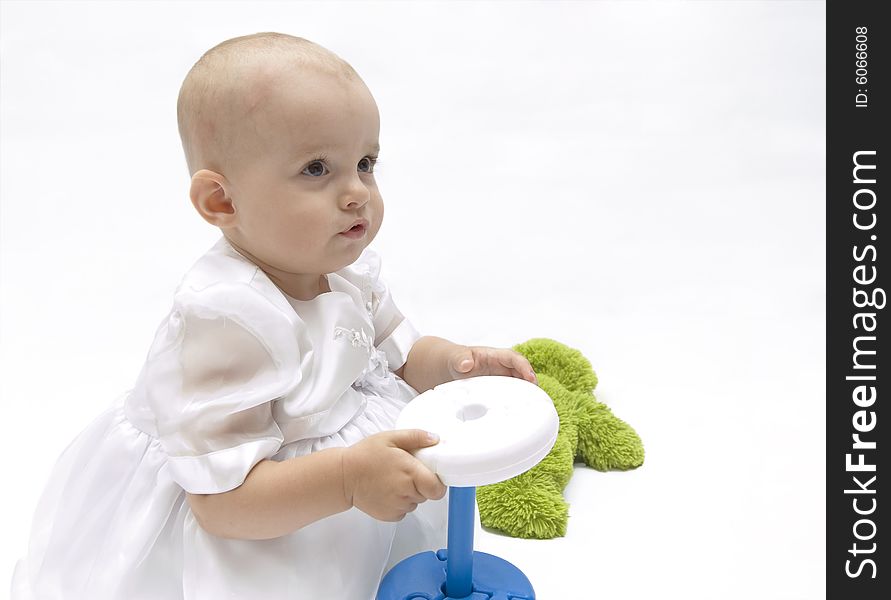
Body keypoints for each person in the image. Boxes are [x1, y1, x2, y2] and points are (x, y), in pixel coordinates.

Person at [10, 32, 539, 600]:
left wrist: (458, 365)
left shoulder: (344, 272)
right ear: (222, 203)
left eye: (365, 163)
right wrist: (345, 478)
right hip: (257, 509)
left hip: (342, 487)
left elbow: (400, 354)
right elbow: (221, 504)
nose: (357, 191)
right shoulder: (228, 321)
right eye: (317, 169)